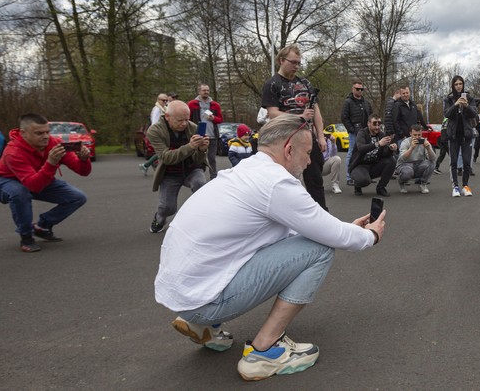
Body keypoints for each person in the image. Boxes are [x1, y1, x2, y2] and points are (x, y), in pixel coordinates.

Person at [154, 113, 386, 381]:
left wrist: (345, 229)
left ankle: (201, 325)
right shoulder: (277, 183)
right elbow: (330, 235)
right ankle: (264, 350)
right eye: (308, 152)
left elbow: (295, 228)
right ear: (289, 149)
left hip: (183, 293)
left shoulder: (243, 171)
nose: (310, 161)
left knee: (303, 240)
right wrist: (371, 237)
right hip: (202, 300)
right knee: (320, 249)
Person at [0, 113, 92, 252]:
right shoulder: (13, 152)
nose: (46, 136)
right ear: (23, 133)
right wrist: (51, 163)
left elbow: (83, 172)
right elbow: (34, 186)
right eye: (39, 133)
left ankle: (42, 227)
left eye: (47, 132)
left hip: (37, 178)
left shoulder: (53, 143)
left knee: (77, 197)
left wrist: (84, 159)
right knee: (20, 193)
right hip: (3, 181)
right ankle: (26, 237)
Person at [261, 44, 328, 210]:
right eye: (293, 62)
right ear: (282, 60)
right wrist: (298, 117)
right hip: (285, 138)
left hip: (307, 138)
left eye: (299, 63)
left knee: (315, 179)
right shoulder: (272, 84)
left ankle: (321, 214)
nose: (296, 66)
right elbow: (272, 113)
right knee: (288, 180)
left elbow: (315, 111)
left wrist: (320, 136)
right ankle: (290, 214)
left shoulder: (305, 83)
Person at [147, 101, 209, 233]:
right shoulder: (154, 131)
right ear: (167, 116)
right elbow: (166, 158)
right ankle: (159, 218)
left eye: (187, 119)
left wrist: (202, 150)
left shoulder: (192, 127)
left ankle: (202, 220)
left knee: (201, 185)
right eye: (180, 120)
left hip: (192, 169)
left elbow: (198, 159)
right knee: (168, 207)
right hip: (170, 173)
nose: (184, 124)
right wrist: (190, 146)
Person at [443, 75, 478, 197]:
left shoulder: (469, 98)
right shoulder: (449, 99)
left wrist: (466, 105)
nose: (458, 86)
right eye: (456, 84)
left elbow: (474, 113)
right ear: (453, 85)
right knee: (453, 162)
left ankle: (465, 185)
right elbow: (447, 114)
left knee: (467, 162)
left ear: (463, 85)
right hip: (453, 135)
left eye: (460, 84)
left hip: (466, 134)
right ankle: (455, 187)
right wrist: (455, 104)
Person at [348, 114, 398, 196]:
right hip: (360, 166)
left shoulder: (381, 134)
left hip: (374, 165)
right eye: (375, 123)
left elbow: (384, 153)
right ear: (368, 123)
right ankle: (357, 185)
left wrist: (390, 149)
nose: (377, 127)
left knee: (391, 160)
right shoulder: (362, 133)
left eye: (379, 124)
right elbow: (361, 148)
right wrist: (378, 144)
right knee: (364, 181)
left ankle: (381, 188)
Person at [340, 80, 372, 186]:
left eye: (361, 89)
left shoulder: (366, 103)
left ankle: (367, 175)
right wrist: (351, 129)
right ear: (353, 89)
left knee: (367, 153)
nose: (359, 91)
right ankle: (349, 177)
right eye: (357, 89)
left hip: (366, 132)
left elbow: (371, 117)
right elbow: (344, 118)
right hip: (354, 133)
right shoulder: (347, 102)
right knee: (351, 154)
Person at [188, 84, 224, 179]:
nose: (206, 92)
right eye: (204, 90)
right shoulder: (192, 104)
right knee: (198, 158)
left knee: (212, 158)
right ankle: (199, 177)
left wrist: (213, 118)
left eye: (207, 90)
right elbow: (187, 119)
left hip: (212, 136)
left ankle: (214, 178)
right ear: (199, 91)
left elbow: (220, 119)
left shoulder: (215, 105)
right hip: (198, 136)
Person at [396, 124, 436, 194]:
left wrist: (428, 148)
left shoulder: (424, 141)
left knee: (431, 164)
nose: (417, 137)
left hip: (418, 164)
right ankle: (402, 183)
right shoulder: (405, 142)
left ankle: (423, 184)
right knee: (408, 172)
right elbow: (402, 159)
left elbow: (433, 158)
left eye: (419, 135)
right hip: (405, 164)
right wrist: (411, 148)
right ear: (410, 133)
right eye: (415, 135)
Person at [140, 93, 170, 176]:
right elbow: (154, 122)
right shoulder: (157, 109)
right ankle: (149, 165)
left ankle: (146, 165)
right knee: (163, 151)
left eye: (166, 100)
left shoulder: (164, 108)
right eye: (163, 100)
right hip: (158, 133)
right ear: (158, 100)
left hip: (163, 132)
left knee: (163, 151)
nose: (165, 102)